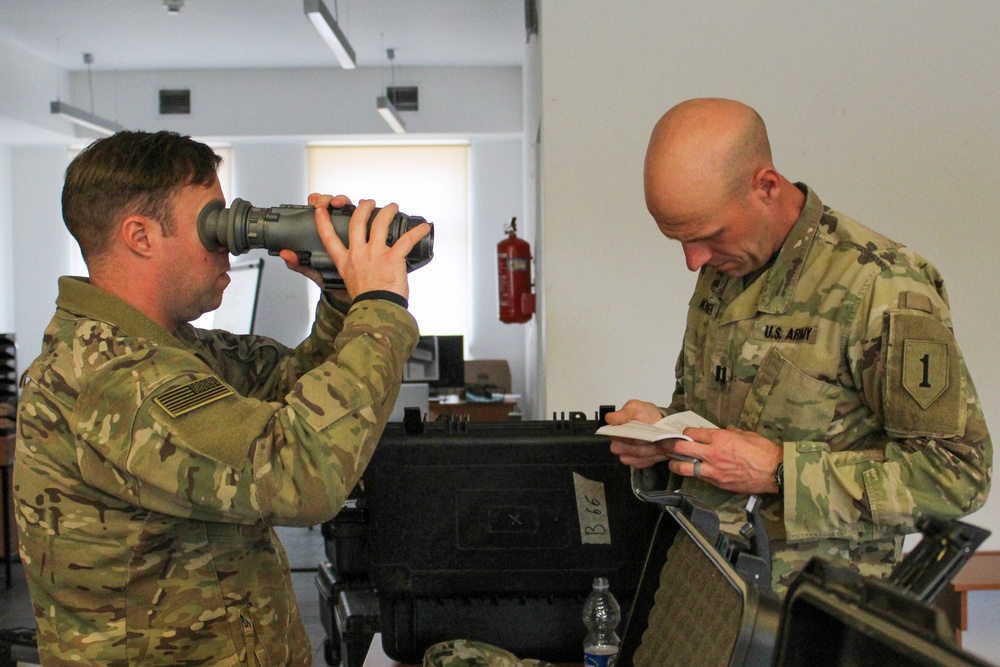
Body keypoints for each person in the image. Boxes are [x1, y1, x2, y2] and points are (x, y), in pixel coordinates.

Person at [13, 130, 431, 665]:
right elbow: (301, 473)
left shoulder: (174, 352)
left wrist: (342, 293)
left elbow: (294, 392)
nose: (229, 246)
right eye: (213, 224)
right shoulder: (112, 377)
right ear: (140, 235)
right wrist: (379, 309)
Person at [606, 98, 992, 592]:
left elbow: (958, 476)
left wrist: (783, 473)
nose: (692, 260)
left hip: (818, 609)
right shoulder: (728, 265)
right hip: (710, 594)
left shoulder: (882, 287)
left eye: (706, 236)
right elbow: (732, 426)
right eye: (678, 240)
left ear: (766, 186)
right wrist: (662, 434)